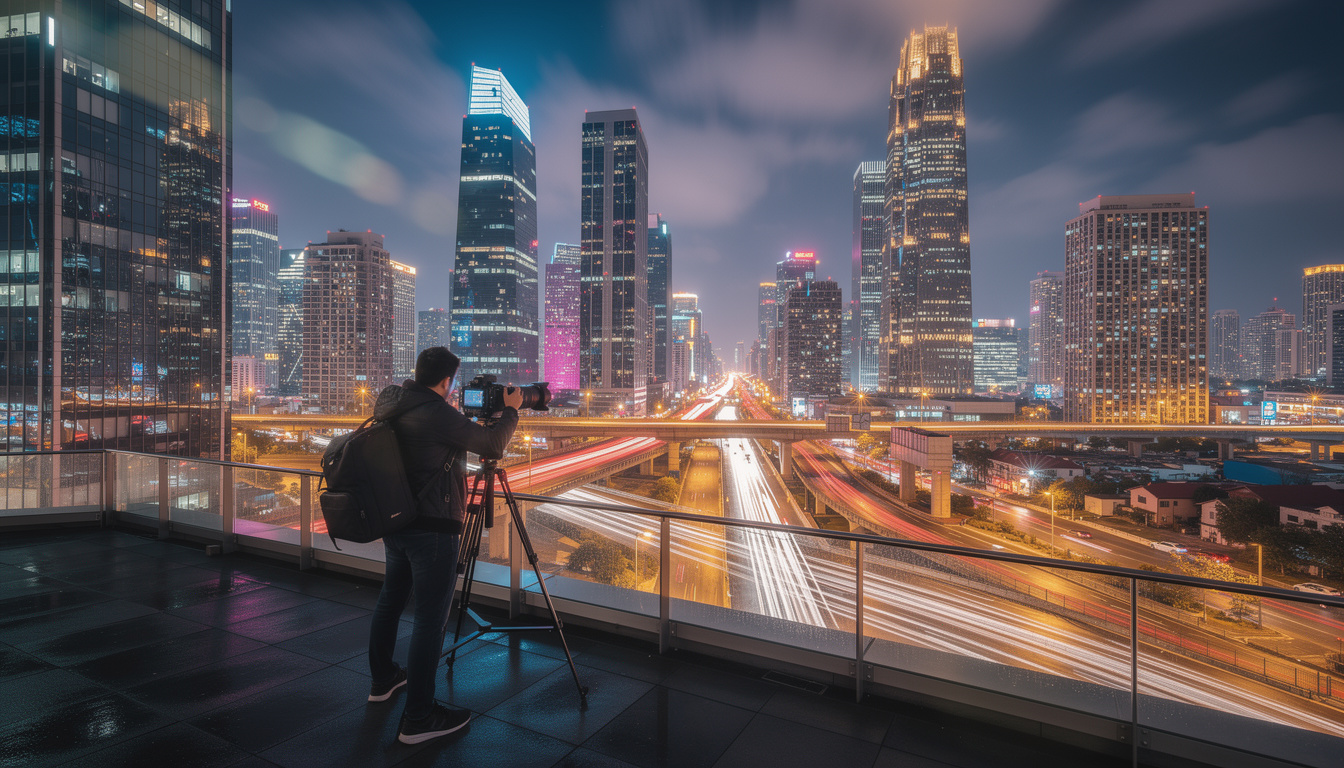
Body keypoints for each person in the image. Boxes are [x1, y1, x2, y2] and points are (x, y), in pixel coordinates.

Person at [366, 347, 521, 745]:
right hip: (433, 529)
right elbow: (492, 445)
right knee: (430, 621)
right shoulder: (436, 412)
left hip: (397, 522)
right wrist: (511, 411)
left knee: (390, 602)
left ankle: (383, 679)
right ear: (447, 381)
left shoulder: (394, 405)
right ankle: (419, 718)